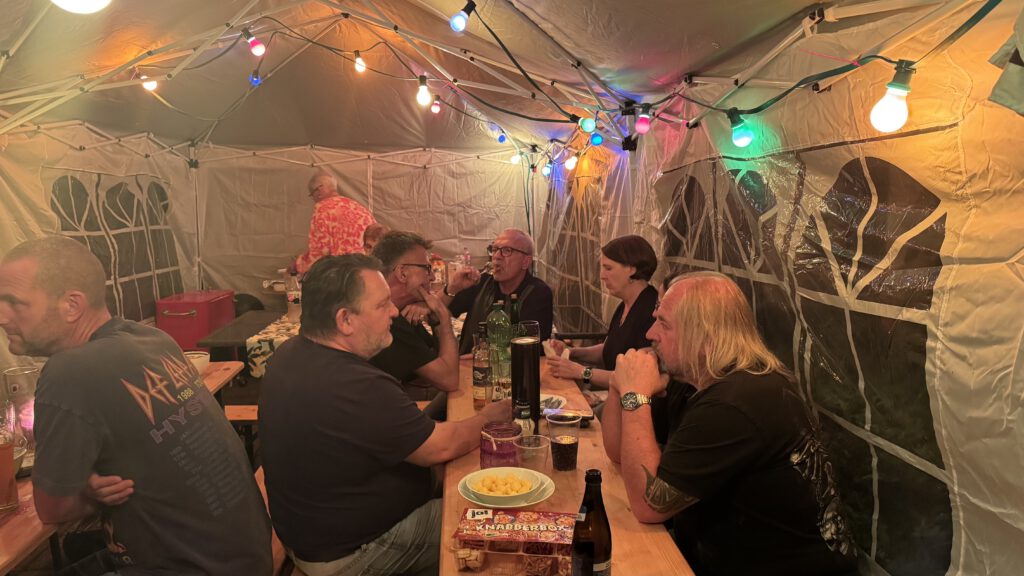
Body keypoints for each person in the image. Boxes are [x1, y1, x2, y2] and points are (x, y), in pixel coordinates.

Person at [0, 236, 272, 575]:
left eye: (14, 302)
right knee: (76, 549)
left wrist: (86, 493)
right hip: (244, 555)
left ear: (72, 305)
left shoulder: (69, 371)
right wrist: (89, 487)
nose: (2, 316)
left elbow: (52, 508)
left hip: (190, 567)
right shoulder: (154, 339)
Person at [259, 254, 511, 576]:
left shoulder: (292, 352)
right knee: (501, 521)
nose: (393, 311)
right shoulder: (352, 383)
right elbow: (440, 447)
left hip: (311, 536)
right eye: (382, 305)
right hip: (352, 552)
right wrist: (490, 416)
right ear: (345, 320)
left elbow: (395, 429)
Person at [603, 271, 858, 576]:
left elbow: (650, 506)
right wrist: (620, 383)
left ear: (706, 338)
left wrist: (634, 395)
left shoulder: (737, 401)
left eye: (664, 324)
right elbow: (620, 453)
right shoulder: (694, 379)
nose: (650, 333)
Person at [547, 235, 659, 395]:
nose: (602, 275)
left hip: (633, 402)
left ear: (632, 269)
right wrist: (570, 352)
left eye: (608, 268)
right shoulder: (625, 304)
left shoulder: (651, 311)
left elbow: (634, 377)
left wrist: (581, 372)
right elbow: (608, 350)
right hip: (614, 395)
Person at [370, 231, 459, 393]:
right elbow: (449, 380)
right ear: (402, 273)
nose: (432, 277)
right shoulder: (388, 320)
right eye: (427, 268)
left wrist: (435, 320)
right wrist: (443, 316)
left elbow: (439, 357)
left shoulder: (404, 310)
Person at [444, 228, 553, 354]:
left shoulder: (538, 293)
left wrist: (486, 355)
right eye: (495, 249)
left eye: (507, 250)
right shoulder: (481, 282)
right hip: (467, 364)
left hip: (509, 366)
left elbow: (531, 348)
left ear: (525, 262)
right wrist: (452, 287)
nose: (496, 256)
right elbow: (436, 312)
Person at [292, 171, 376, 274]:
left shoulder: (322, 209)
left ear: (319, 191)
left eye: (312, 194)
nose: (313, 199)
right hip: (367, 273)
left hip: (341, 275)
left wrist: (298, 265)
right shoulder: (360, 208)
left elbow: (319, 253)